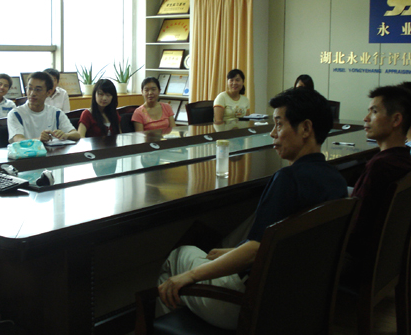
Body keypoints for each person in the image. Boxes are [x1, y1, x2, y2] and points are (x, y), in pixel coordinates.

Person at [158, 87, 347, 330]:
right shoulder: (337, 181)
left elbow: (255, 251)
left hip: (250, 303)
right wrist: (233, 252)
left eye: (279, 124)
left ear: (306, 128)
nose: (272, 133)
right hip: (300, 299)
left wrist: (190, 276)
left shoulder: (287, 179)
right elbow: (279, 246)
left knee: (176, 260)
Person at [347, 85, 411, 259]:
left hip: (359, 261)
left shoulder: (380, 167)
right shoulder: (405, 159)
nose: (366, 118)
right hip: (390, 259)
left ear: (396, 119)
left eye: (374, 112)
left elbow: (355, 228)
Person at [8, 71, 80, 143]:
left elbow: (76, 135)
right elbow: (18, 140)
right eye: (29, 88)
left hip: (53, 150)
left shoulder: (56, 113)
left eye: (38, 90)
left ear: (48, 92)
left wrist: (65, 135)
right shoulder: (15, 114)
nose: (32, 93)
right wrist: (39, 139)